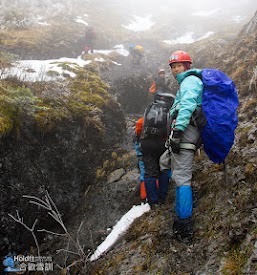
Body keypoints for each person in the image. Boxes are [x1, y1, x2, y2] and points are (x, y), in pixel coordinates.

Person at [166, 50, 203, 243]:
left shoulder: (189, 81)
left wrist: (178, 131)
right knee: (182, 175)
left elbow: (187, 104)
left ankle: (184, 225)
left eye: (178, 65)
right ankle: (183, 215)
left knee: (181, 177)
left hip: (186, 131)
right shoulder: (190, 81)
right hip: (190, 131)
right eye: (173, 66)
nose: (175, 69)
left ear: (187, 66)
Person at [140, 92, 174, 208]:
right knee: (163, 169)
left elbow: (139, 125)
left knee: (150, 172)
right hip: (163, 143)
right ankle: (162, 198)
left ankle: (153, 203)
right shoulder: (170, 110)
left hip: (147, 142)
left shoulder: (150, 108)